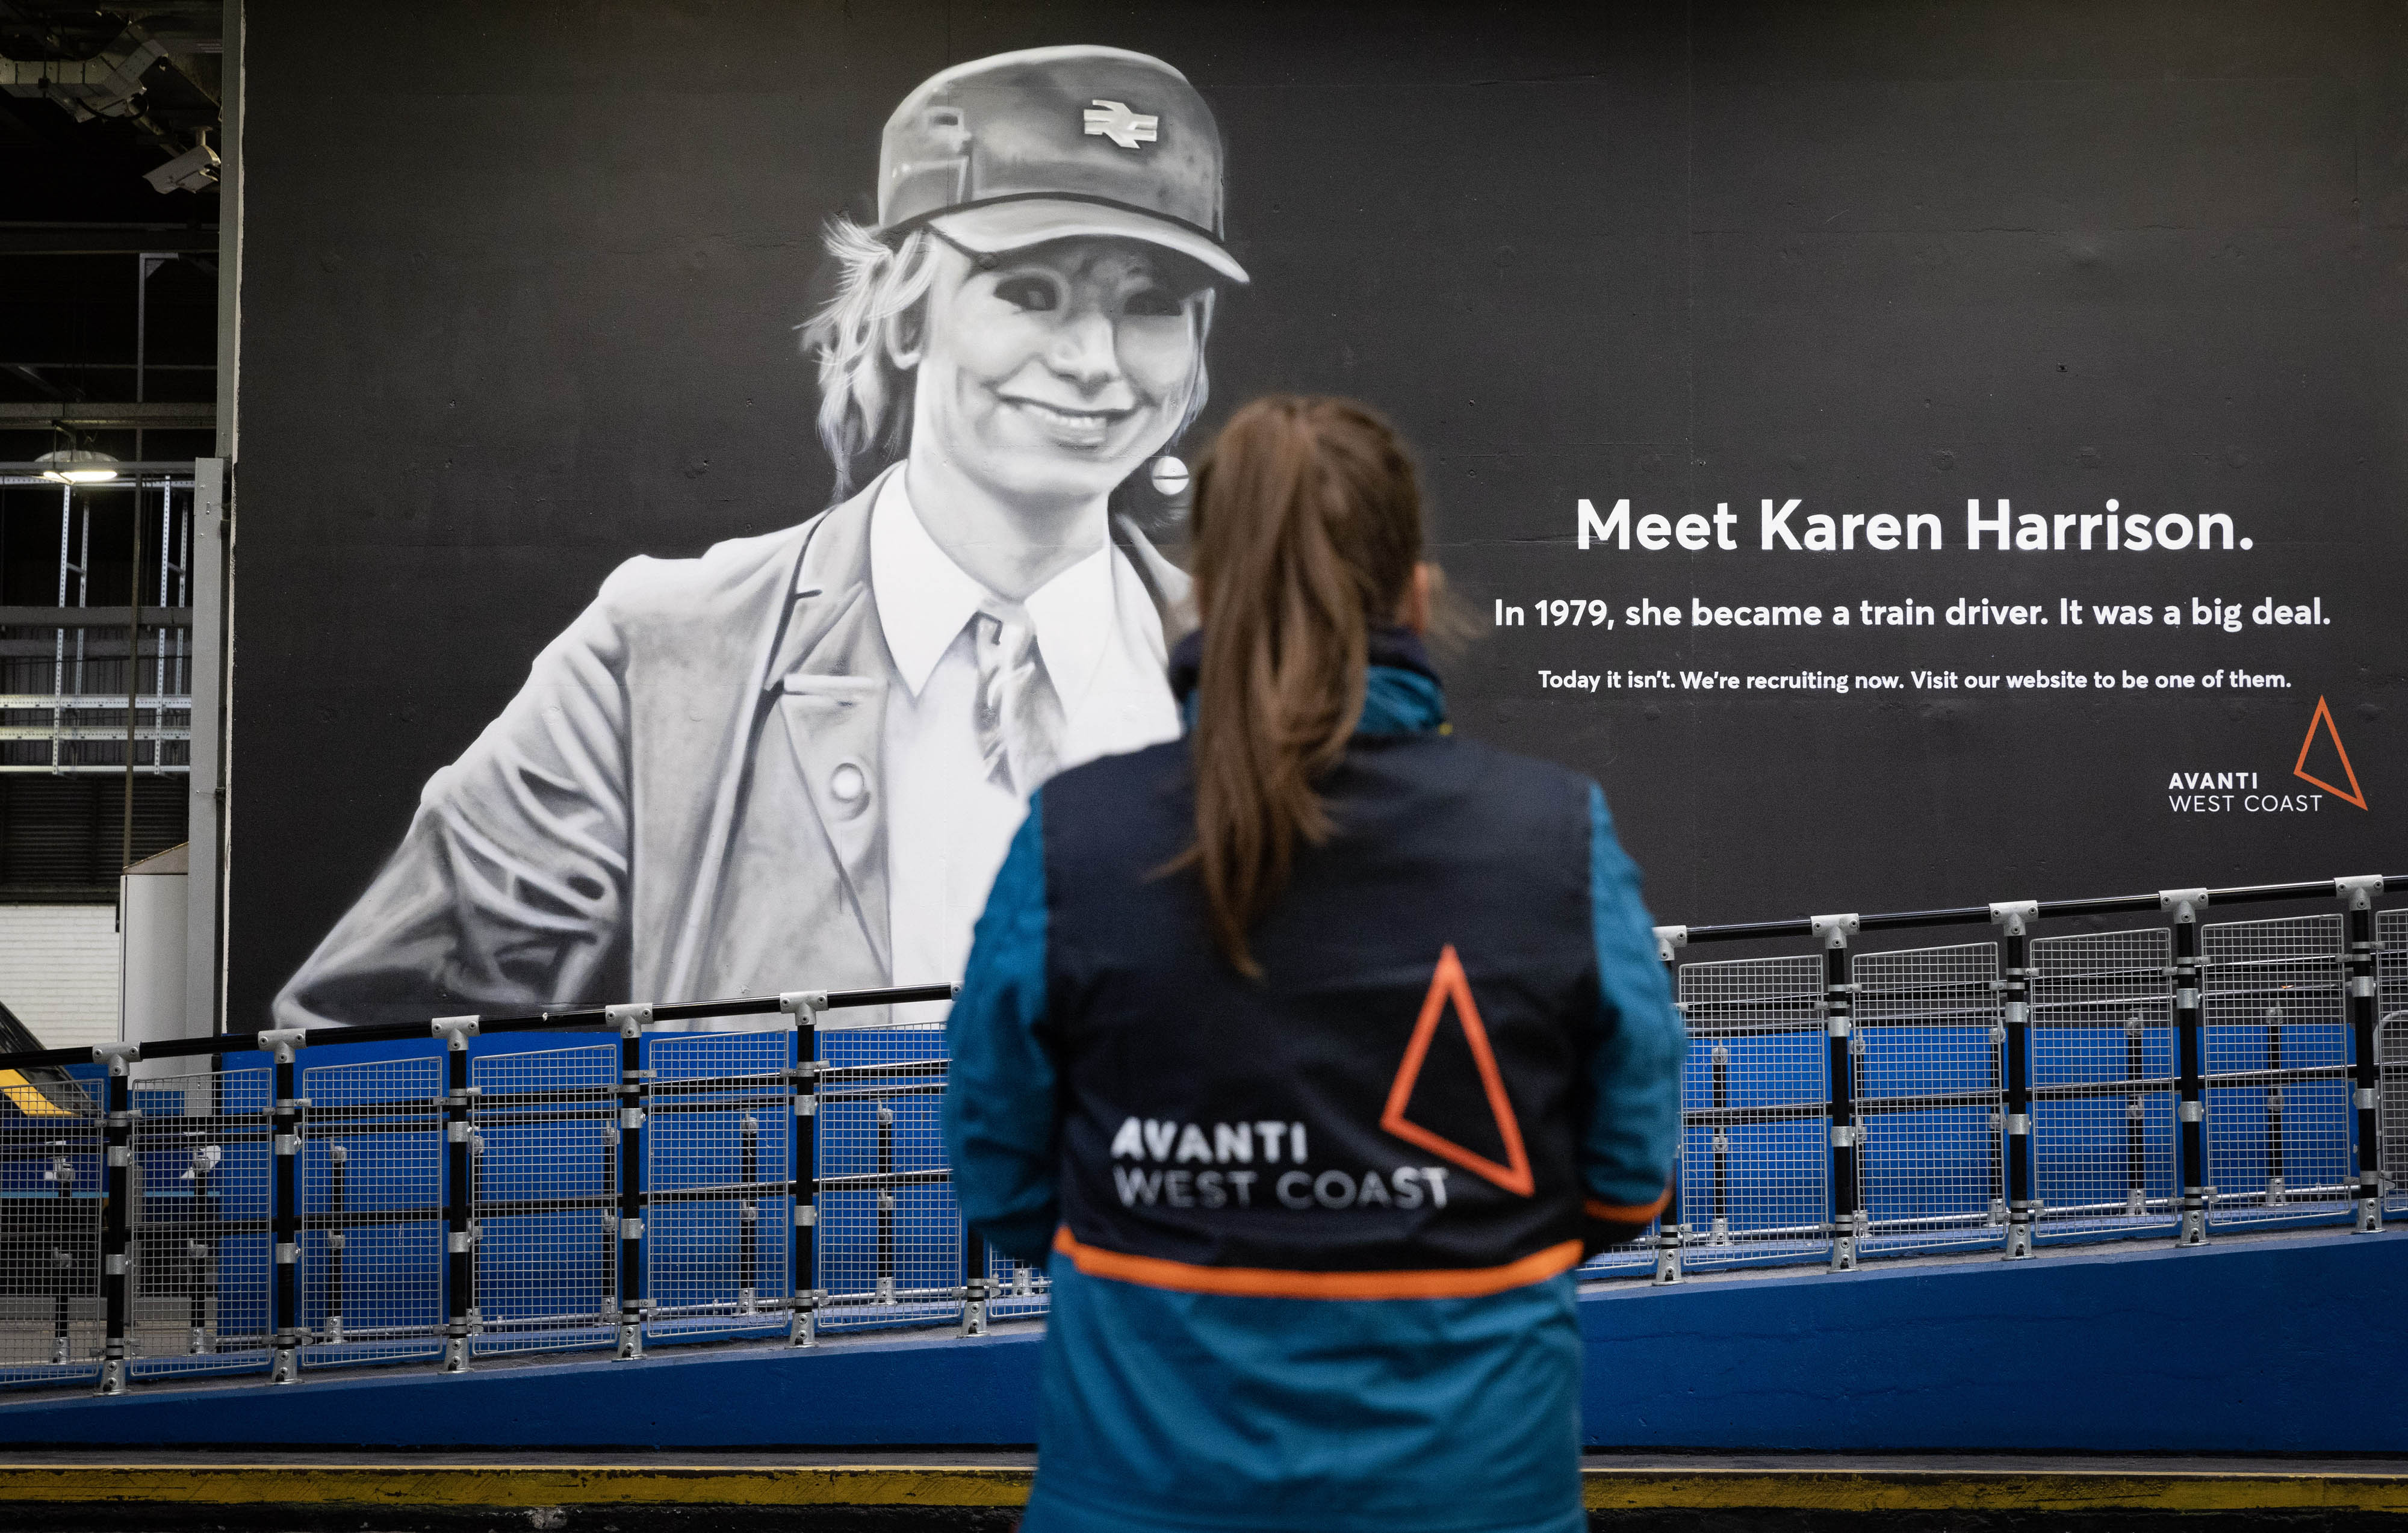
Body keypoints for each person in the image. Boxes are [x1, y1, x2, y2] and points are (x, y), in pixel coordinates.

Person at [273, 46, 1244, 1029]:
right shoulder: (662, 653)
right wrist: (676, 1165)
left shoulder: (1279, 680)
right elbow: (369, 1060)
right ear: (907, 317)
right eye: (1028, 292)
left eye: (1151, 305)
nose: (1094, 361)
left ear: (1197, 342)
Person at [945, 397, 1687, 1532]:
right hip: (1471, 1499)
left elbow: (1005, 1185)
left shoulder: (1071, 841)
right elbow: (1627, 1183)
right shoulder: (1555, 836)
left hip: (1142, 1496)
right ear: (1420, 600)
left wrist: (1185, 1239)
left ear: (1197, 604)